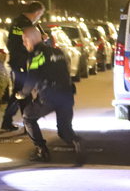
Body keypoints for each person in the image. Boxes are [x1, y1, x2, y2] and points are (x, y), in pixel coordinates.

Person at [19, 27, 85, 164]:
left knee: (28, 116)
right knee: (64, 129)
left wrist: (22, 93)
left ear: (31, 38)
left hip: (49, 95)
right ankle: (76, 141)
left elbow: (32, 77)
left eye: (25, 40)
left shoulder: (36, 55)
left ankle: (42, 151)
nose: (24, 43)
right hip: (66, 94)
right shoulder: (57, 51)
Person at [0, 1, 47, 132]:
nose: (40, 17)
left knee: (19, 91)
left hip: (16, 60)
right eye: (40, 14)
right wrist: (42, 38)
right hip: (22, 61)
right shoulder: (26, 24)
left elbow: (12, 40)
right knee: (25, 92)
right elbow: (32, 42)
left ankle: (8, 120)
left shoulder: (16, 21)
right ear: (37, 12)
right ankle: (28, 123)